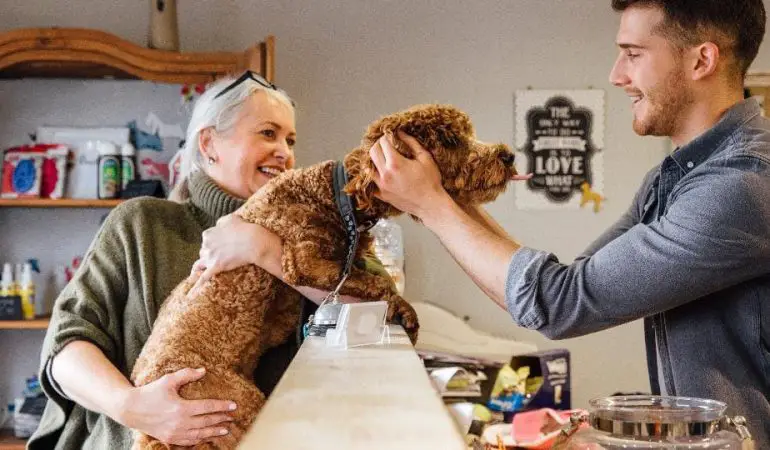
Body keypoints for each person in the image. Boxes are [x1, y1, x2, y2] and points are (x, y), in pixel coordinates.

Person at [365, 0, 770, 445]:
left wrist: (431, 205)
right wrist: (445, 198)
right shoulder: (673, 178)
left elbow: (560, 302)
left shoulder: (743, 184)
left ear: (702, 60)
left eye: (633, 54)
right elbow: (567, 283)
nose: (617, 75)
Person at [29, 72, 392, 449]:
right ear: (209, 143)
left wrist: (264, 250)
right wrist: (133, 408)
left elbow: (380, 317)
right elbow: (66, 345)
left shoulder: (314, 236)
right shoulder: (141, 225)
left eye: (290, 140)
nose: (284, 152)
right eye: (268, 133)